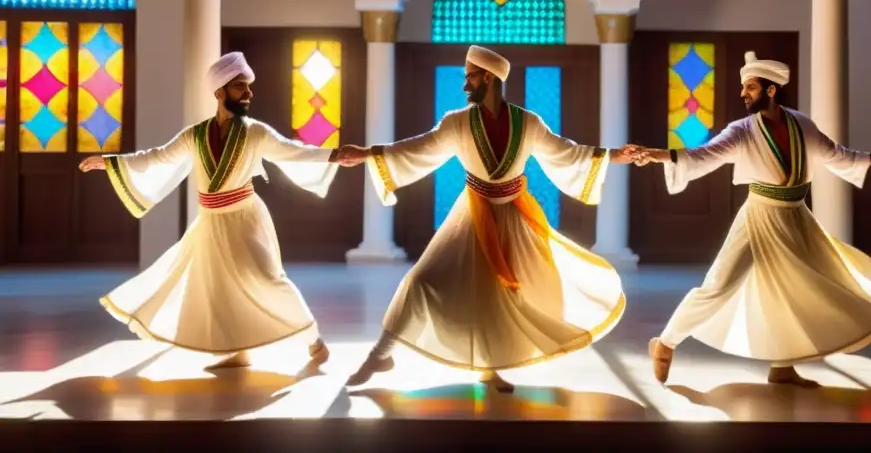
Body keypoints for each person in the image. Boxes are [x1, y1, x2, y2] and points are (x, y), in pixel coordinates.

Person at [335, 45, 630, 391]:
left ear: (487, 78)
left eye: (469, 78)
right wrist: (368, 154)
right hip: (472, 215)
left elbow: (566, 151)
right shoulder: (457, 122)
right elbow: (417, 147)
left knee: (501, 295)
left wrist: (612, 155)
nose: (464, 86)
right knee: (420, 282)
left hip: (516, 218)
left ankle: (491, 367)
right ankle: (380, 355)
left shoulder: (528, 123)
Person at [624, 51, 871, 388]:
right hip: (759, 216)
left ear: (771, 90)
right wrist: (657, 155)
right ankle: (665, 343)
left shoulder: (801, 124)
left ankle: (783, 367)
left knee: (796, 290)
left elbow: (835, 154)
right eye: (743, 87)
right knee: (720, 285)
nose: (742, 93)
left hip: (796, 218)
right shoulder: (742, 130)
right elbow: (704, 154)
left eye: (750, 87)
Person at [80, 51, 343, 371]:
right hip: (210, 223)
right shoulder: (196, 134)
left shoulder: (255, 132)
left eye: (248, 87)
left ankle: (313, 340)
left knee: (268, 279)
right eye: (240, 87)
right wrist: (110, 161)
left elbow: (293, 152)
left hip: (245, 219)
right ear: (220, 93)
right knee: (218, 290)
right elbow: (158, 157)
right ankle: (238, 349)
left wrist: (334, 155)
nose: (249, 93)